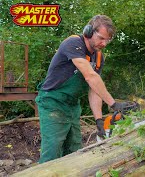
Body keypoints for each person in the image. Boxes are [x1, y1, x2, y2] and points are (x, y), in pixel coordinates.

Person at [35, 15, 130, 163]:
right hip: (52, 102)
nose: (104, 43)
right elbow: (90, 76)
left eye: (107, 40)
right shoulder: (73, 44)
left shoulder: (98, 57)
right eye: (101, 38)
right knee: (52, 151)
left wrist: (98, 120)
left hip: (72, 106)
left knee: (74, 151)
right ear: (89, 32)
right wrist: (113, 104)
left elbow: (94, 89)